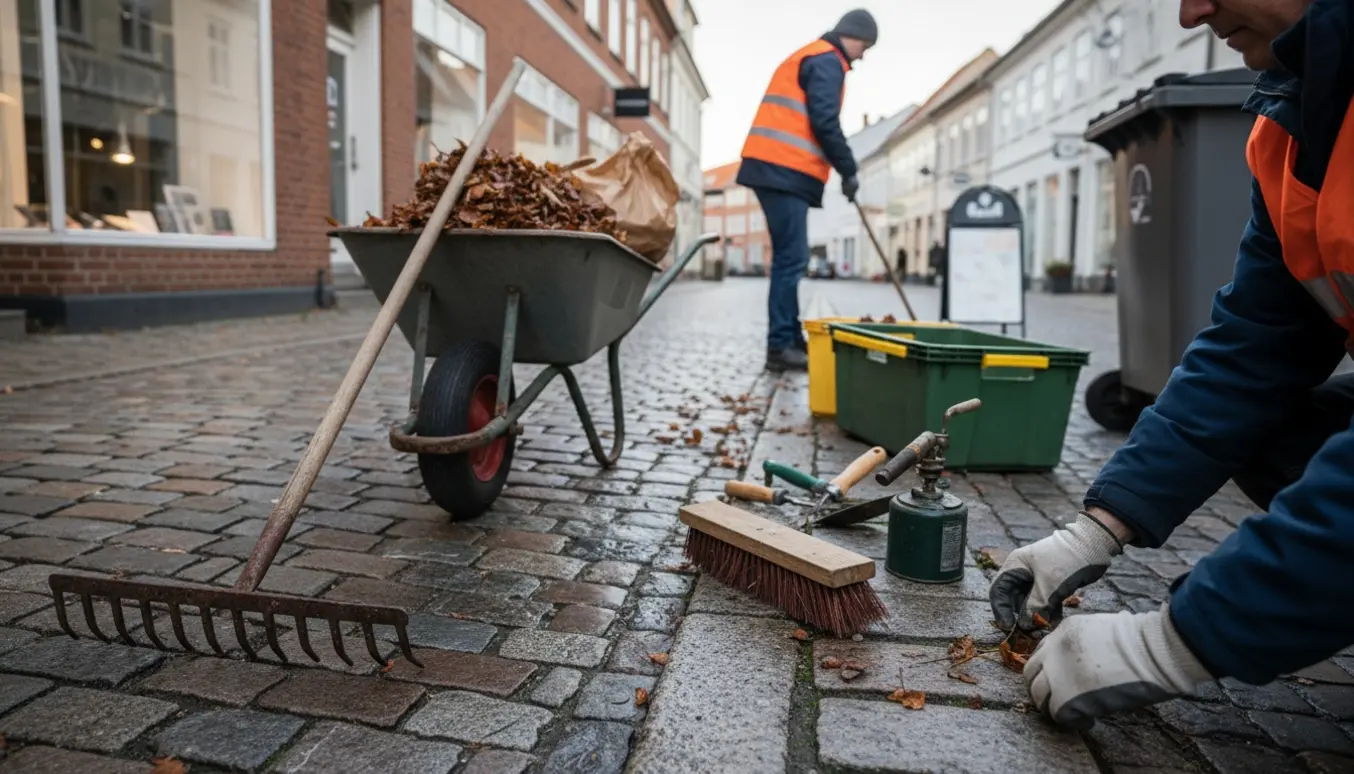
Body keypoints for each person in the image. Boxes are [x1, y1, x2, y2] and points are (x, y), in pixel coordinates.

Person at [989, 0, 1354, 731]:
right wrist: (1096, 528)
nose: (1190, 14)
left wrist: (1176, 641)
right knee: (1276, 431)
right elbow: (1252, 348)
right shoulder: (1287, 127)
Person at [736, 10, 877, 372]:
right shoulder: (826, 60)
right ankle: (780, 345)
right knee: (793, 258)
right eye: (865, 47)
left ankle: (790, 339)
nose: (862, 56)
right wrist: (848, 169)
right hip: (781, 168)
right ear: (852, 36)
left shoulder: (813, 56)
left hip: (776, 168)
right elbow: (825, 121)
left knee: (791, 256)